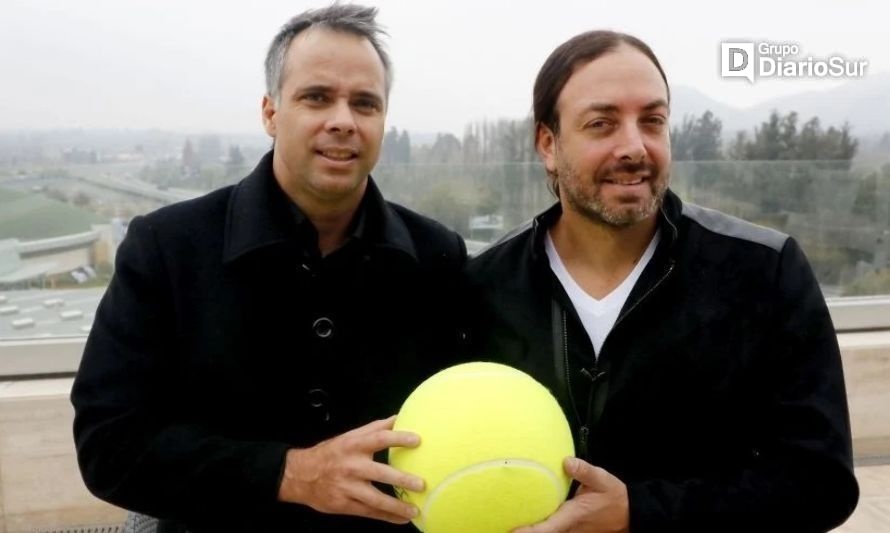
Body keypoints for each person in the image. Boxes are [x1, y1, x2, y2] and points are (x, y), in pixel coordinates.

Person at [71, 5, 466, 532]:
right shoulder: (167, 247)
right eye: (317, 97)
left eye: (365, 104)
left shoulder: (437, 257)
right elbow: (109, 444)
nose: (343, 120)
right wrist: (290, 473)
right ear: (270, 112)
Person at [465, 30, 859, 532]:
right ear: (548, 143)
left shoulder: (763, 270)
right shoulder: (484, 286)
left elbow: (821, 484)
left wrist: (637, 511)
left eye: (652, 121)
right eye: (602, 123)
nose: (634, 147)